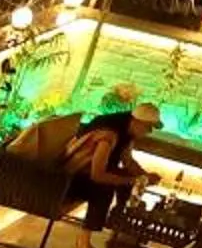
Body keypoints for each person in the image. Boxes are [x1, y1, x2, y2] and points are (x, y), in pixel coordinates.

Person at [63, 102, 161, 239]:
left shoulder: (125, 132)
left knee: (123, 177)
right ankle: (83, 242)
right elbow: (97, 175)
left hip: (84, 174)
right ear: (137, 122)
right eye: (148, 127)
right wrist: (134, 180)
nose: (149, 132)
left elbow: (128, 161)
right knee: (104, 188)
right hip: (69, 178)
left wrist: (144, 176)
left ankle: (121, 217)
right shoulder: (108, 135)